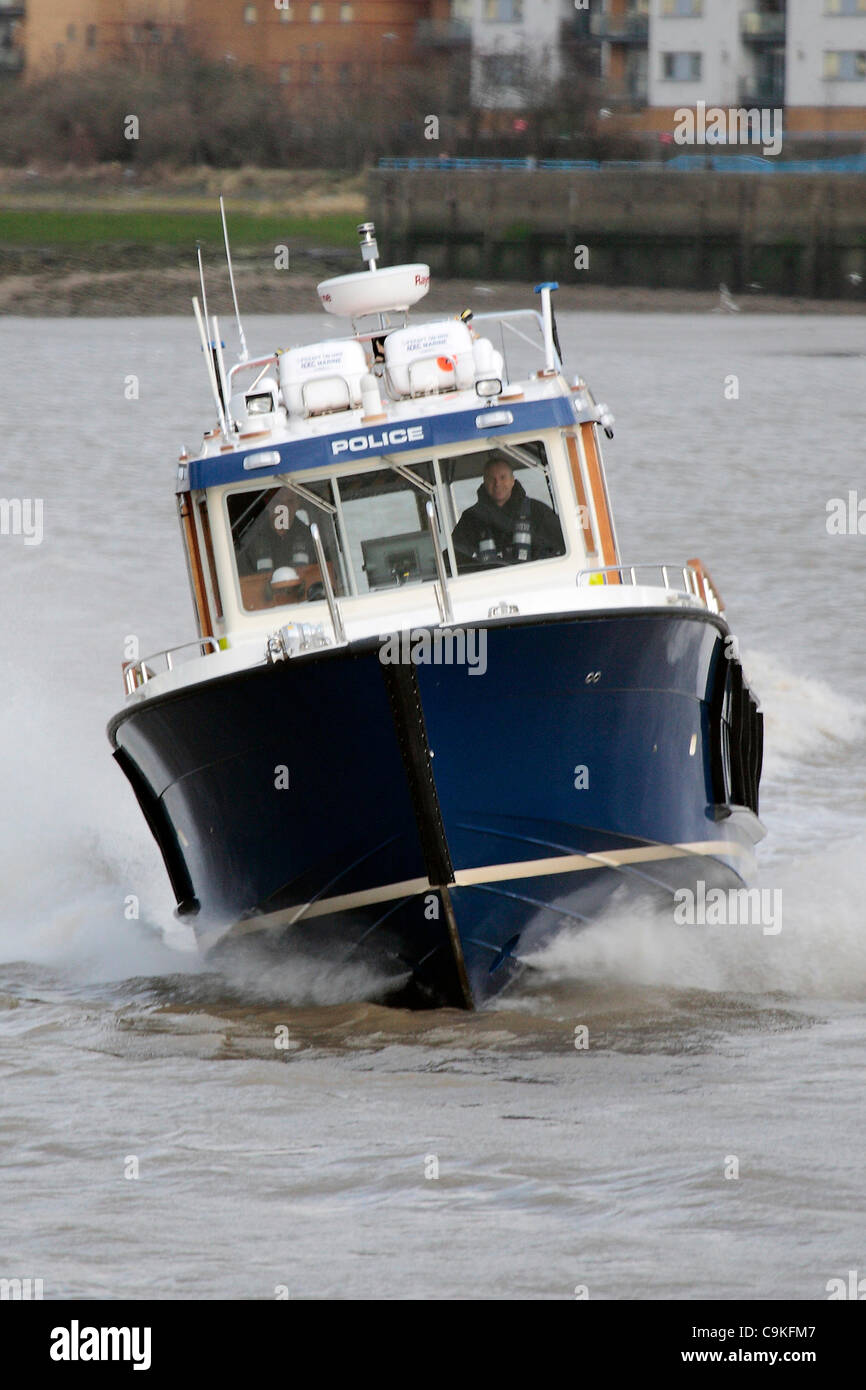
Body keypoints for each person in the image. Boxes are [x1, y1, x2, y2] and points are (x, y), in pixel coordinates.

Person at [451, 455, 564, 572]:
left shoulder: (537, 511)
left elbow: (562, 547)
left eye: (503, 477)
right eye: (491, 479)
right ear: (484, 483)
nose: (497, 484)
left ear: (512, 481)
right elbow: (455, 558)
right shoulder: (470, 518)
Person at [236, 487, 314, 577]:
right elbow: (240, 577)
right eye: (278, 502)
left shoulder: (311, 537)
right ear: (268, 504)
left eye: (289, 502)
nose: (284, 508)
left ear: (297, 504)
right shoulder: (250, 539)